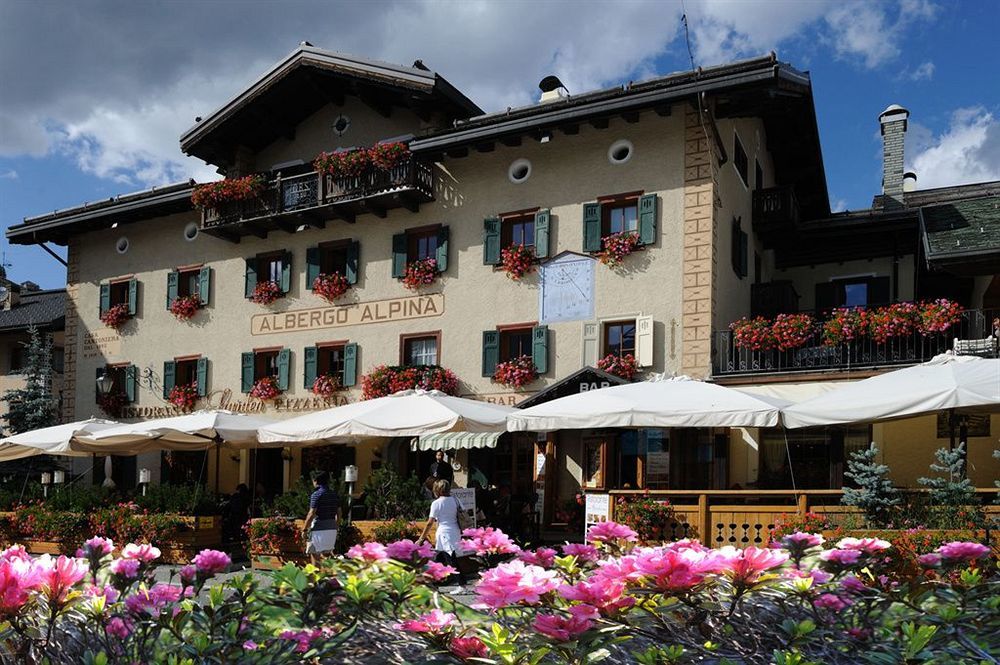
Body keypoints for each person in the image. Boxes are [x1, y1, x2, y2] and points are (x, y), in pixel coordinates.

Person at [418, 479, 462, 585]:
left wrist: (421, 538)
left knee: (451, 560)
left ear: (437, 490)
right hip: (455, 531)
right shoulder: (456, 500)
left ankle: (462, 584)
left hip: (444, 533)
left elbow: (429, 523)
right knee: (439, 558)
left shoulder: (436, 503)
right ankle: (434, 581)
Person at [302, 470, 340, 564]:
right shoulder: (334, 494)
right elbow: (339, 512)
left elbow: (311, 513)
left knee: (315, 556)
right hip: (331, 528)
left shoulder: (316, 495)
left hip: (318, 529)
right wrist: (336, 526)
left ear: (315, 480)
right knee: (327, 558)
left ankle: (316, 578)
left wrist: (304, 529)